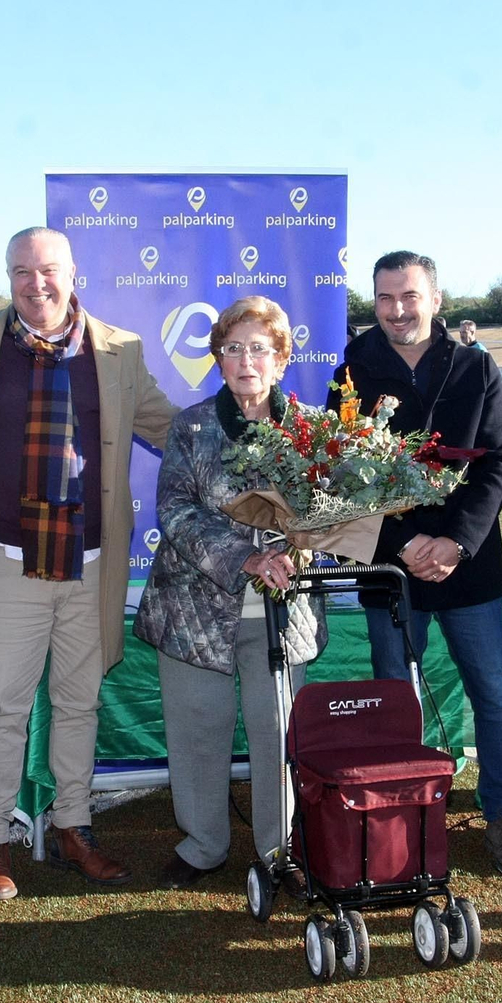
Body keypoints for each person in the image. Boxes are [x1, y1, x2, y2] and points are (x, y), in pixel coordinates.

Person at [0, 227, 177, 902]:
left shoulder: (120, 349)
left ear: (74, 273)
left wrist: (255, 431)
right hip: (11, 564)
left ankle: (74, 828)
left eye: (47, 269)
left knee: (78, 704)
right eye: (21, 270)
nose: (35, 283)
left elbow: (172, 428)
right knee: (4, 710)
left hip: (91, 565)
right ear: (7, 276)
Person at [331, 251, 502, 876]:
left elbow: (497, 463)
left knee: (493, 696)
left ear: (436, 300)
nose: (397, 310)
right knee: (396, 698)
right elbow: (342, 474)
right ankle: (400, 819)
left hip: (467, 566)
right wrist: (405, 544)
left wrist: (454, 543)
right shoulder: (352, 373)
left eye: (409, 296)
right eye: (385, 299)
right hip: (391, 568)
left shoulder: (476, 367)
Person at [135, 296, 327, 888]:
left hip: (282, 612)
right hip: (193, 610)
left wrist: (300, 545)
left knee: (278, 735)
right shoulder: (191, 426)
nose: (247, 360)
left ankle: (280, 852)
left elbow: (330, 514)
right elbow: (175, 510)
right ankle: (201, 845)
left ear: (281, 359)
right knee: (197, 731)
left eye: (260, 349)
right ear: (218, 358)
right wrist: (246, 556)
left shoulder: (312, 429)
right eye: (234, 348)